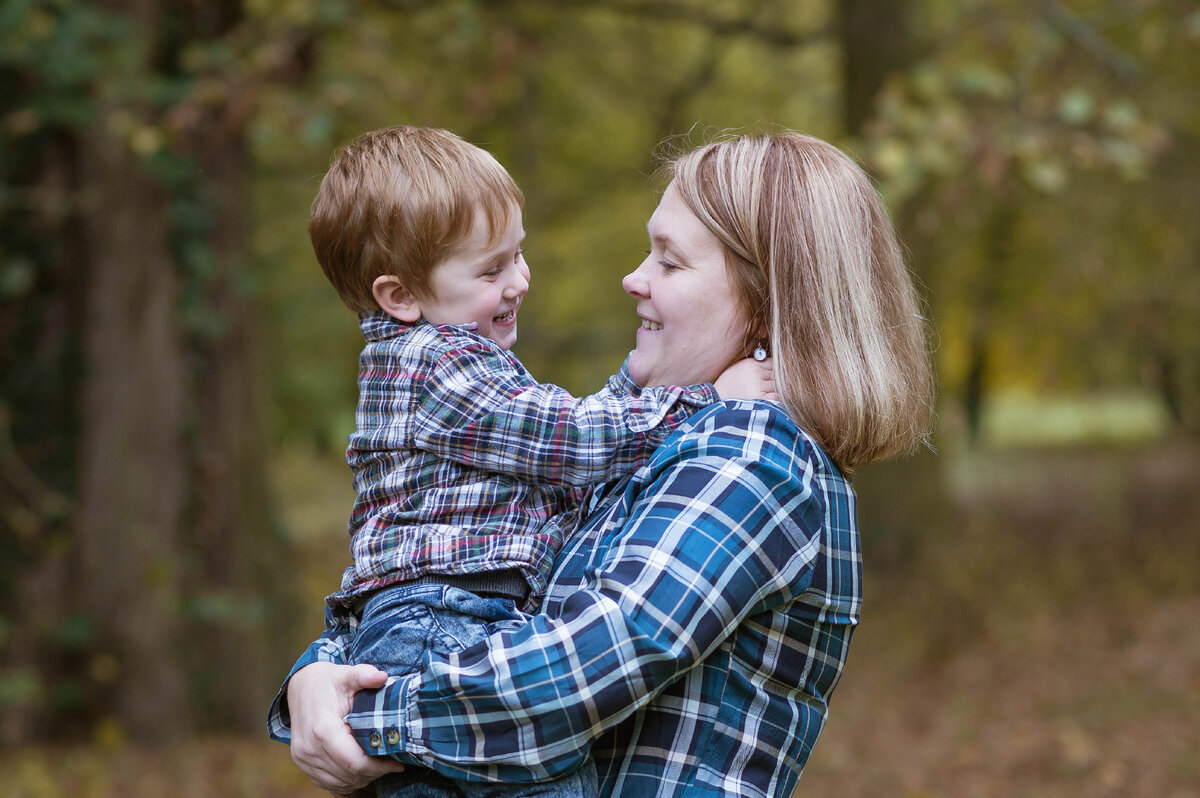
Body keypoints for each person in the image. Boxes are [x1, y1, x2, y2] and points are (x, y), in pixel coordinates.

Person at [270, 130, 936, 798]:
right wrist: (317, 676)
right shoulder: (666, 438)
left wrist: (366, 716)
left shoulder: (754, 452)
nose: (634, 278)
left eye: (670, 263)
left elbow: (599, 652)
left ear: (768, 301)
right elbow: (443, 576)